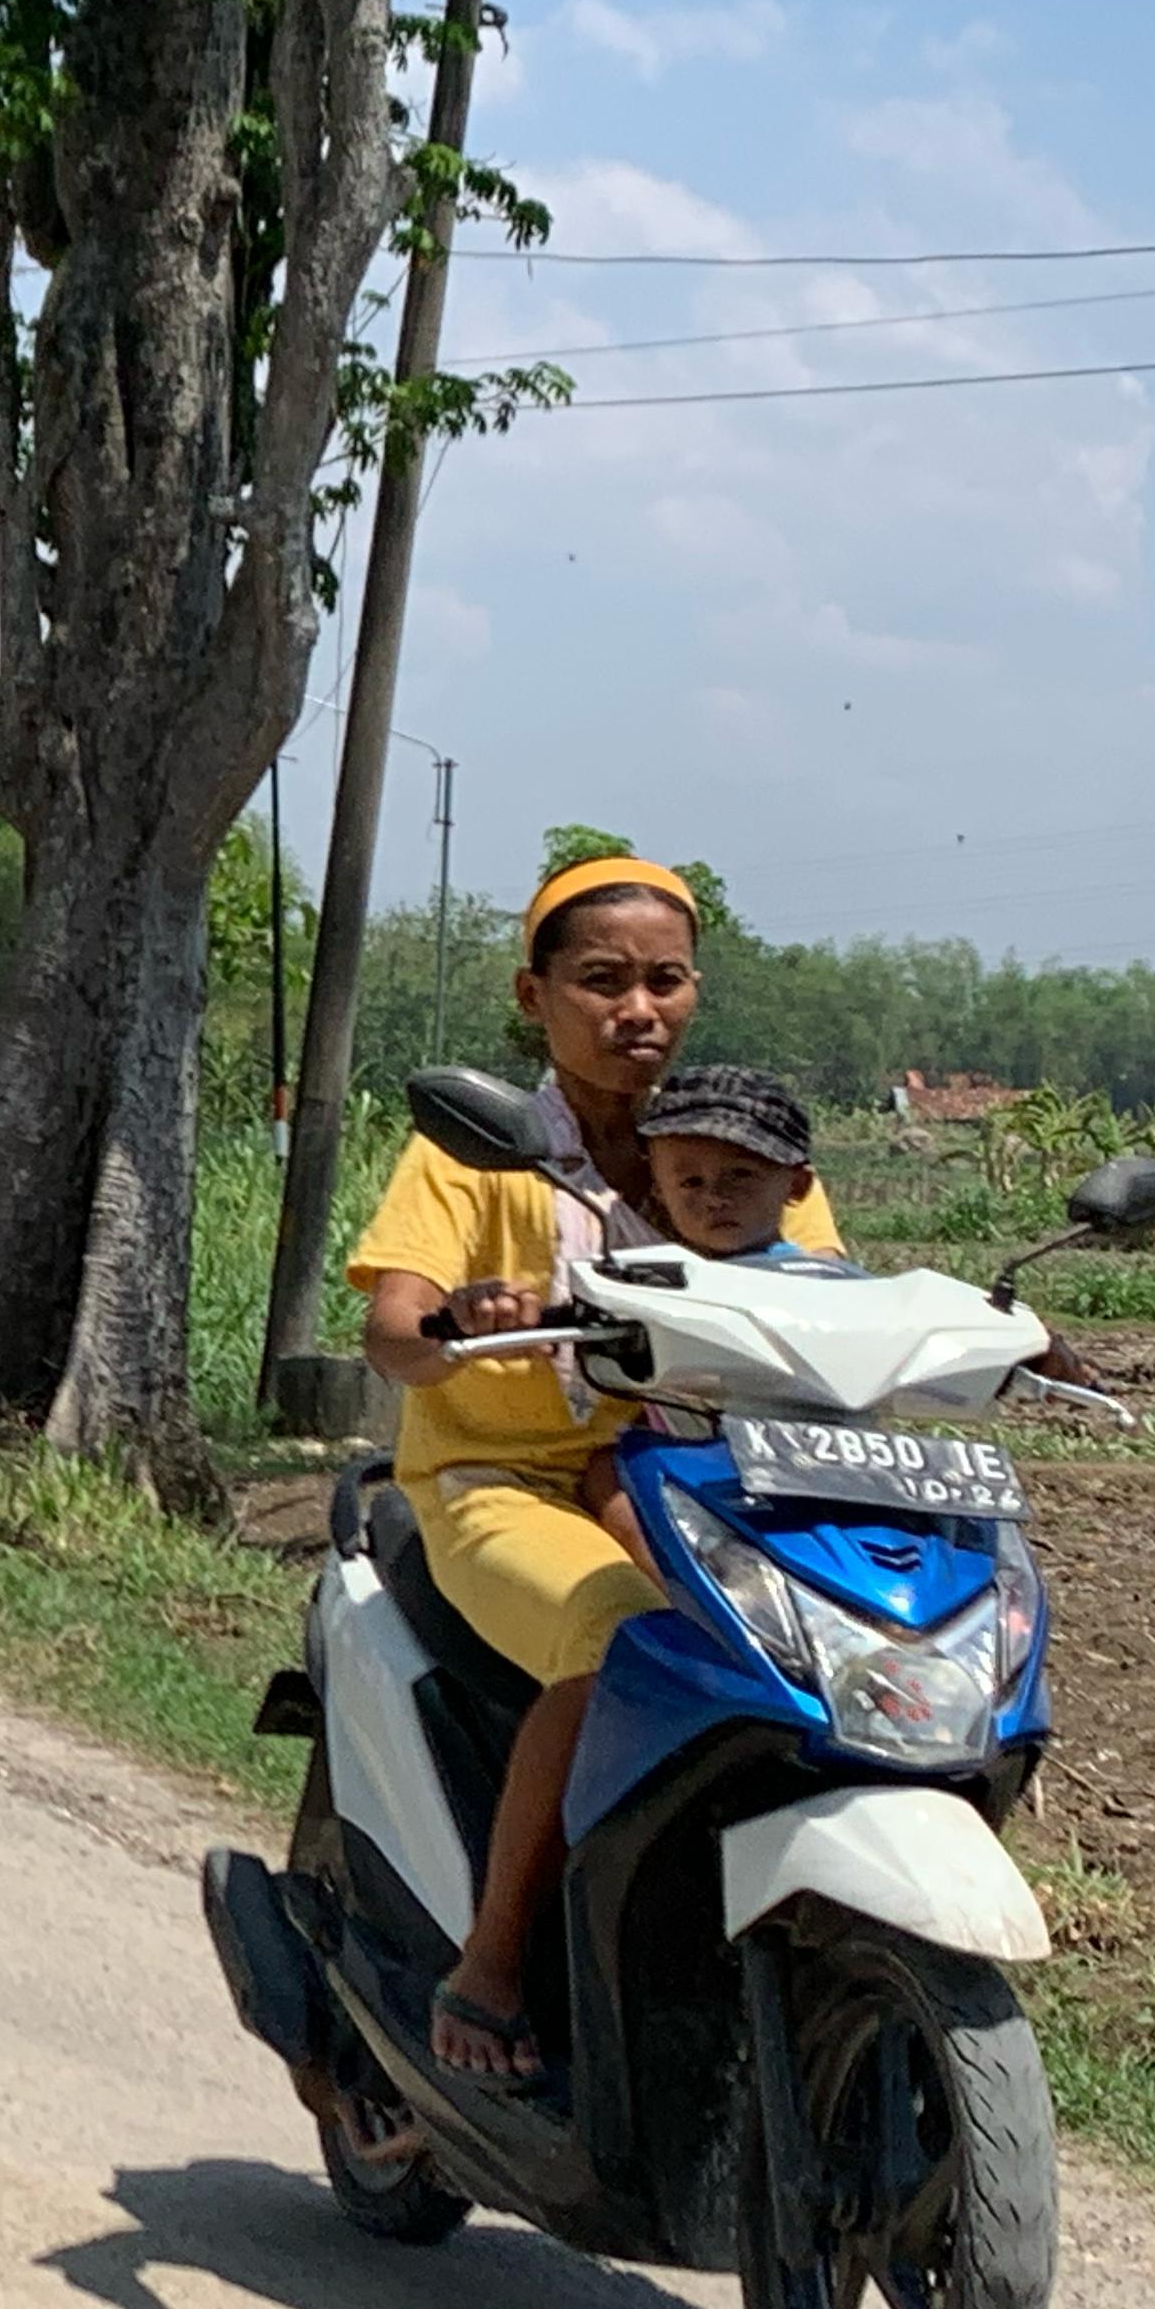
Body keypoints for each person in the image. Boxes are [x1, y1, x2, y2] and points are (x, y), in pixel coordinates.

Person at [350, 858, 849, 2086]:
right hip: (499, 1479)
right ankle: (498, 1960)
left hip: (700, 1484)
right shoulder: (475, 1151)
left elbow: (833, 1298)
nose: (639, 1010)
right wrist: (460, 1317)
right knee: (616, 1640)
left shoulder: (736, 1144)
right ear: (534, 996)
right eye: (601, 981)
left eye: (666, 981)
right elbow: (393, 1329)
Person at [576, 1065, 853, 1565]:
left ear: (797, 1184)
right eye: (690, 1181)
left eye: (740, 1176)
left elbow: (915, 1316)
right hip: (694, 1458)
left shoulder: (829, 1282)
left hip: (817, 1457)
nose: (714, 1198)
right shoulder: (652, 1280)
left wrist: (1028, 1347)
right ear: (659, 1189)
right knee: (608, 1473)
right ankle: (681, 1599)